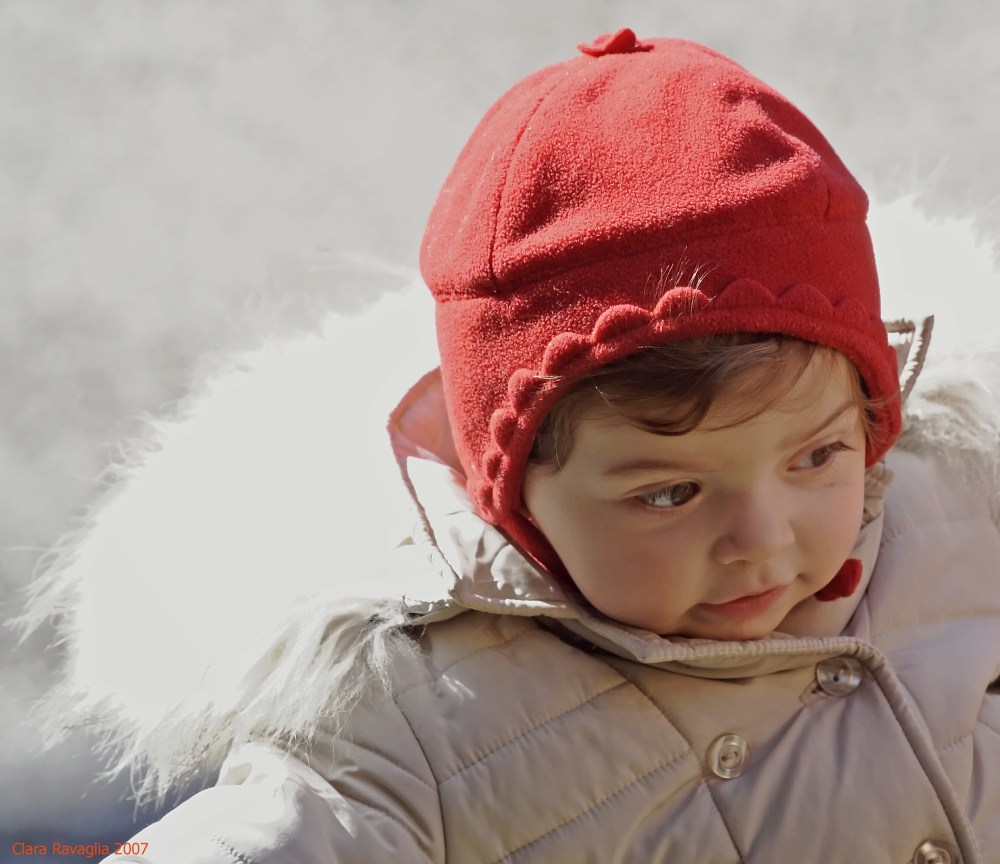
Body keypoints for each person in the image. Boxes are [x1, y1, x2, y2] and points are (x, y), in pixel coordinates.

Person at [33, 28, 999, 863]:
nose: (762, 538)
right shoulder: (421, 714)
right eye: (669, 494)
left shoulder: (961, 506)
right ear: (515, 495)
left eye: (817, 458)